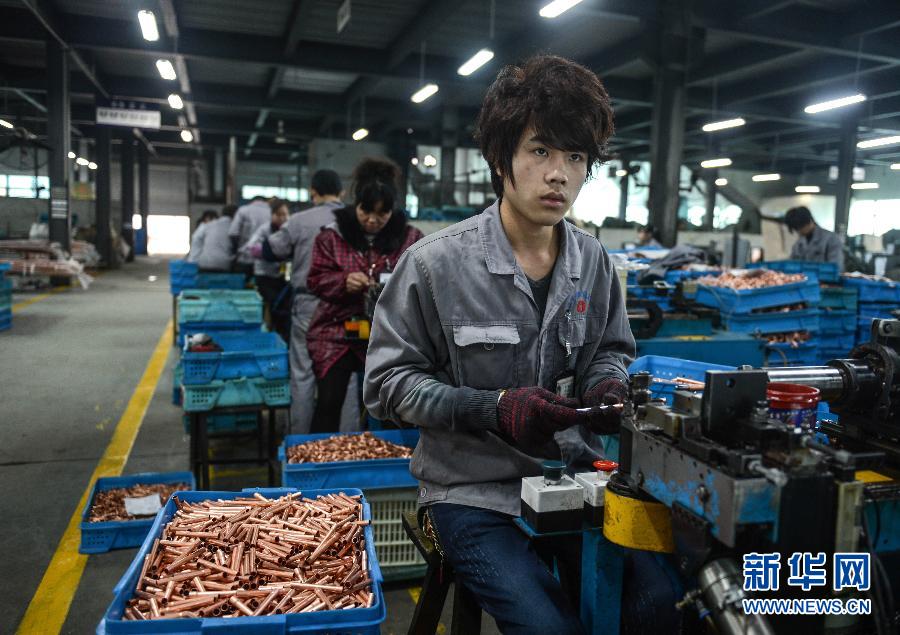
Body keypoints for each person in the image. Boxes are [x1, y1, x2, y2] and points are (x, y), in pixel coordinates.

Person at [364, 55, 679, 634]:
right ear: (501, 157)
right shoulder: (434, 265)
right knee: (548, 627)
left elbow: (611, 347)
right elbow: (387, 387)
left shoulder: (596, 265)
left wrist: (605, 382)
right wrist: (494, 409)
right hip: (471, 491)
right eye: (541, 151)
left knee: (657, 604)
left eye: (575, 157)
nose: (558, 174)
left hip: (576, 476)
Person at [307, 158, 423, 433]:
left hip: (389, 335)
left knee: (392, 406)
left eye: (381, 214)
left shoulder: (410, 239)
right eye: (366, 211)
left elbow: (425, 282)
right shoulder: (331, 237)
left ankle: (389, 465)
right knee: (328, 401)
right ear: (355, 205)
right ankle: (320, 460)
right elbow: (315, 280)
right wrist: (342, 281)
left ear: (392, 210)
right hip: (336, 331)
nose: (372, 220)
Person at [261, 169, 358, 434]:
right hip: (345, 306)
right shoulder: (353, 219)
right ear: (341, 193)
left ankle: (301, 445)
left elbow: (270, 251)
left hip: (307, 305)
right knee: (345, 374)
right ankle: (348, 444)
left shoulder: (299, 220)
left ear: (312, 192)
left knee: (303, 373)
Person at [242, 199, 290, 341]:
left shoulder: (290, 228)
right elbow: (251, 247)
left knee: (283, 308)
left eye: (286, 214)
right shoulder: (265, 229)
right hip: (265, 275)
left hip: (283, 276)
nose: (283, 218)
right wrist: (265, 252)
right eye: (279, 214)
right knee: (271, 303)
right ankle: (268, 333)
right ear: (272, 215)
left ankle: (279, 335)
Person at [785, 206, 844, 271]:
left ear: (810, 221)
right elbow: (791, 265)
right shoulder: (798, 244)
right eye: (796, 229)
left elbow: (837, 267)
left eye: (800, 227)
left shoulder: (831, 239)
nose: (799, 231)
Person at [229, 195, 271, 278]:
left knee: (243, 287)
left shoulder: (243, 210)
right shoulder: (271, 212)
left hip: (244, 257)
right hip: (265, 261)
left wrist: (236, 250)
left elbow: (233, 233)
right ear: (266, 202)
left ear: (252, 201)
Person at [193, 205, 236, 272]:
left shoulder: (208, 225)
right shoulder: (233, 227)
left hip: (203, 263)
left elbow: (197, 240)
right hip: (223, 265)